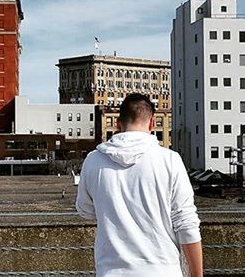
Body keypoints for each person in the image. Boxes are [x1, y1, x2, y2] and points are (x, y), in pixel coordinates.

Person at [76, 93, 203, 277]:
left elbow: (85, 211)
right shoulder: (169, 160)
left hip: (111, 272)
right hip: (163, 271)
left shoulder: (93, 161)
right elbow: (186, 224)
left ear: (118, 124)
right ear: (152, 123)